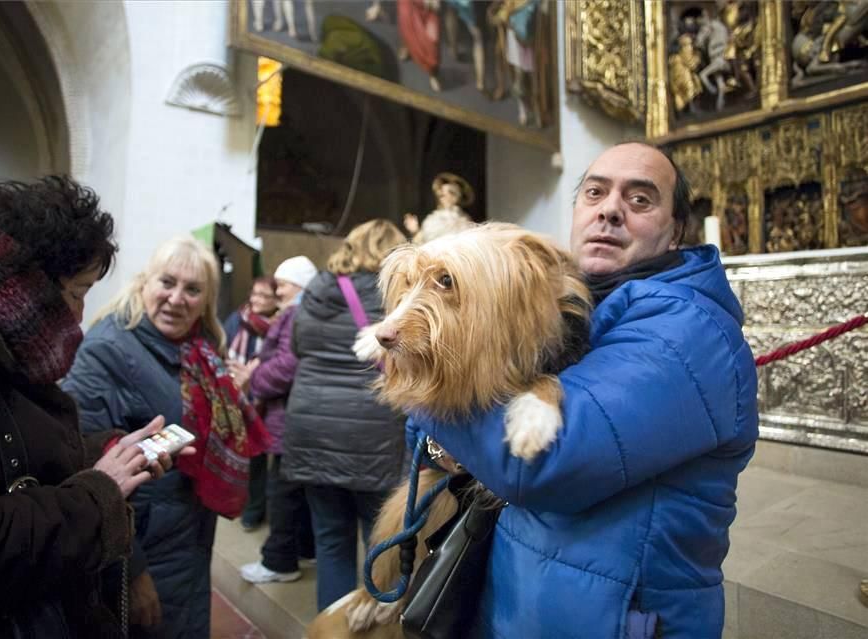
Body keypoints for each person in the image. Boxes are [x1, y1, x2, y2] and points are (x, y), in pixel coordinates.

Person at [409, 142, 759, 638]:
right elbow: (447, 428)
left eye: (640, 200)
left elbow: (538, 465)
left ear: (676, 231)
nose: (610, 210)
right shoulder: (570, 307)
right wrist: (438, 430)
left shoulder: (687, 328)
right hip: (531, 599)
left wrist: (413, 379)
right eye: (594, 193)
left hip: (618, 618)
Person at [0, 177, 180, 638]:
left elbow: (6, 446)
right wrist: (102, 492)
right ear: (20, 286)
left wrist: (102, 450)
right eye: (76, 291)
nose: (78, 316)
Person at [63, 236, 267, 639]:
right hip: (140, 545)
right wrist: (131, 571)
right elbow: (85, 470)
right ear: (145, 283)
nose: (177, 299)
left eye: (192, 290)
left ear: (206, 299)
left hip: (186, 538)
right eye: (167, 283)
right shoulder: (107, 350)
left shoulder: (198, 348)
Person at [281, 219, 409, 610]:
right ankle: (377, 627)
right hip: (375, 431)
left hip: (312, 426)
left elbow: (298, 345)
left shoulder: (318, 287)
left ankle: (331, 630)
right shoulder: (398, 295)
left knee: (331, 543)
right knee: (380, 542)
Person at [236, 256, 320, 584]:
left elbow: (287, 364)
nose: (277, 291)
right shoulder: (306, 311)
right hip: (299, 417)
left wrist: (254, 376)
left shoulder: (296, 313)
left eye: (282, 284)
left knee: (282, 492)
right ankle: (304, 549)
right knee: (300, 490)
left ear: (298, 285)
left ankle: (279, 563)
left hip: (289, 418)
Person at [224, 276, 280, 532]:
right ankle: (246, 507)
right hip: (238, 395)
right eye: (254, 294)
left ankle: (260, 510)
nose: (256, 300)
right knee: (247, 455)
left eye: (263, 296)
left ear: (276, 299)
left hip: (269, 397)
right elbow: (222, 348)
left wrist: (256, 373)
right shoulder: (238, 319)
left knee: (265, 460)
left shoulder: (282, 324)